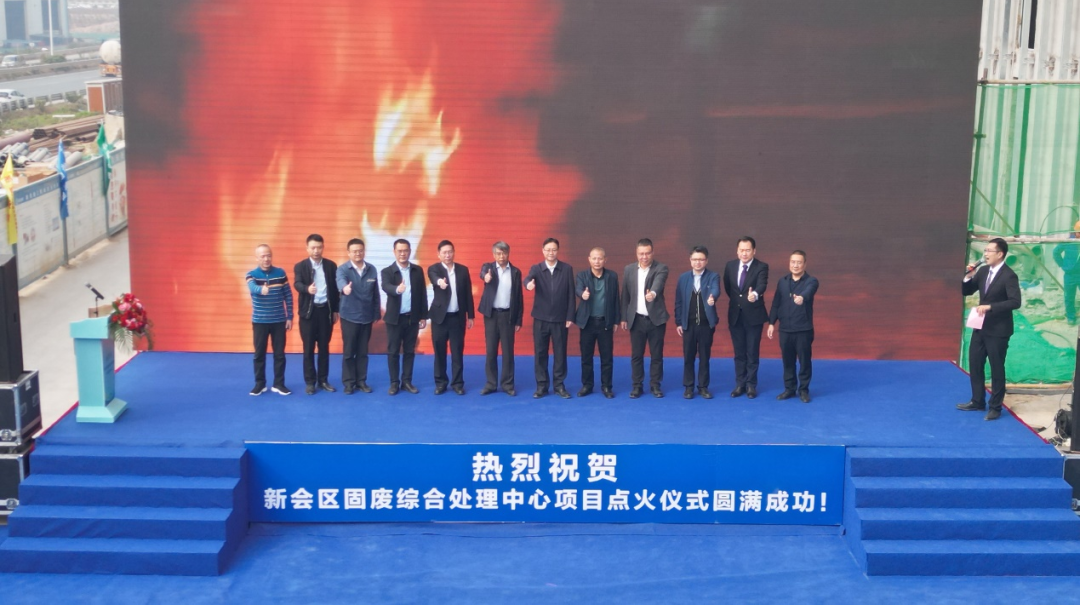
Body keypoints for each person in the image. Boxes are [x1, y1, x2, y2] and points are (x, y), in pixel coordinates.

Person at [958, 238, 1021, 421]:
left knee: (996, 367)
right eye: (985, 250)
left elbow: (1015, 302)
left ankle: (995, 407)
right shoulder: (983, 271)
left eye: (989, 251)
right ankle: (977, 401)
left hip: (999, 330)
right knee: (975, 363)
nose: (985, 254)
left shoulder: (1009, 275)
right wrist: (968, 277)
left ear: (1000, 254)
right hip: (980, 327)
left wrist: (990, 307)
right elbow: (967, 291)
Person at [525, 237, 575, 399]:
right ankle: (542, 386)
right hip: (541, 318)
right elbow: (527, 279)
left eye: (553, 249)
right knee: (540, 353)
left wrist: (570, 315)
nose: (551, 252)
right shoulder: (537, 268)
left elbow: (571, 293)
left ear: (558, 251)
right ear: (543, 251)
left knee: (560, 354)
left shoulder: (566, 269)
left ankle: (559, 385)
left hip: (560, 319)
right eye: (548, 250)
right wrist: (528, 285)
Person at [767, 250, 819, 403]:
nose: (795, 265)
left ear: (805, 264)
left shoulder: (811, 281)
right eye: (793, 262)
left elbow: (809, 292)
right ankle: (789, 389)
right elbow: (776, 303)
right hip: (785, 329)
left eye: (799, 262)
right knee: (787, 361)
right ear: (789, 263)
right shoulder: (782, 281)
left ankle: (803, 390)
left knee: (804, 361)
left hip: (803, 329)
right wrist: (771, 323)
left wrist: (802, 297)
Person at [621, 238, 670, 398]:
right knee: (636, 355)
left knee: (656, 355)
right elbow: (625, 295)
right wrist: (623, 317)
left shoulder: (661, 268)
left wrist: (653, 294)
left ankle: (655, 385)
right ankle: (637, 386)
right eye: (641, 253)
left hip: (656, 320)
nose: (644, 257)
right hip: (636, 320)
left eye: (647, 253)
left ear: (652, 253)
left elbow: (658, 283)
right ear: (636, 253)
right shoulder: (629, 269)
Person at [723, 236, 769, 399]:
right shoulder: (730, 266)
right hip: (735, 315)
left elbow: (762, 285)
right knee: (739, 352)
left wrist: (754, 295)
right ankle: (740, 384)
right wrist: (740, 301)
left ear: (754, 251)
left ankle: (751, 385)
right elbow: (728, 288)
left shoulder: (761, 266)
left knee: (752, 352)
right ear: (737, 251)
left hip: (754, 316)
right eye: (741, 250)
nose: (744, 253)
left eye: (747, 250)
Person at [293, 234, 339, 395]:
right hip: (308, 313)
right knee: (308, 349)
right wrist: (307, 289)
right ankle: (310, 382)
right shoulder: (300, 266)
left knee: (324, 347)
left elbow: (335, 290)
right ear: (307, 248)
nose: (316, 250)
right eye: (313, 247)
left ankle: (323, 380)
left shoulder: (331, 266)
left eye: (319, 247)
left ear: (323, 247)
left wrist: (335, 310)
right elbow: (297, 284)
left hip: (325, 312)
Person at [381, 238, 428, 395]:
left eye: (405, 250)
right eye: (399, 251)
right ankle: (394, 383)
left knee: (409, 351)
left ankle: (407, 381)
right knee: (393, 351)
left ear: (410, 252)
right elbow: (385, 286)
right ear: (394, 252)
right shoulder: (387, 271)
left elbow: (422, 293)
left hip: (412, 318)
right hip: (395, 319)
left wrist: (423, 316)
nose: (403, 253)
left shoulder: (417, 270)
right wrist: (397, 289)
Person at [428, 240, 475, 395]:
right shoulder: (434, 269)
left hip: (457, 318)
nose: (447, 255)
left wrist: (470, 315)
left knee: (457, 351)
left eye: (450, 252)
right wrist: (440, 282)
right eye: (444, 252)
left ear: (454, 252)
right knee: (439, 352)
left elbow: (468, 294)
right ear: (439, 254)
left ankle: (457, 383)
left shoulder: (463, 270)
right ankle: (440, 383)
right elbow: (434, 277)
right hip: (439, 319)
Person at [674, 246, 720, 399]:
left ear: (706, 261)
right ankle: (688, 387)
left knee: (705, 357)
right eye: (695, 259)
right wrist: (678, 322)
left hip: (706, 325)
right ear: (690, 260)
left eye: (701, 259)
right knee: (688, 357)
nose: (697, 262)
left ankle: (703, 387)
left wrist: (712, 297)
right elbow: (679, 301)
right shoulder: (683, 278)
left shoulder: (713, 276)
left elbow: (715, 289)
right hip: (688, 325)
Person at [246, 244, 293, 395]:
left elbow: (288, 295)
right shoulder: (251, 275)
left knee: (279, 354)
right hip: (260, 321)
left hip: (279, 321)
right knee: (259, 354)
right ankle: (260, 384)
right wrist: (261, 289)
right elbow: (252, 287)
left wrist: (290, 316)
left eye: (269, 255)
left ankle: (279, 384)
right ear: (257, 258)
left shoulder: (280, 273)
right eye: (263, 256)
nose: (266, 259)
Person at [478, 241, 523, 396]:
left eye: (504, 253)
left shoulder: (515, 272)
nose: (501, 256)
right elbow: (482, 273)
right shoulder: (488, 268)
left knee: (508, 352)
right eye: (498, 253)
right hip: (491, 315)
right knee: (491, 351)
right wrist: (486, 277)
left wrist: (518, 320)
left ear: (508, 254)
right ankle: (491, 384)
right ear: (493, 254)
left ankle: (507, 384)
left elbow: (519, 297)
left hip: (508, 316)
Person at [336, 238, 381, 395]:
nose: (358, 253)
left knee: (363, 352)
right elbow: (340, 281)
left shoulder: (371, 269)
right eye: (354, 251)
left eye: (360, 251)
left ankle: (361, 381)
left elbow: (375, 293)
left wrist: (376, 312)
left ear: (364, 252)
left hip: (366, 317)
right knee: (349, 352)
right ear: (348, 253)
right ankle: (349, 383)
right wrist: (344, 288)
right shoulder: (343, 269)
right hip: (349, 317)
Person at [575, 247, 620, 398]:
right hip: (587, 323)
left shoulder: (612, 276)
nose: (597, 261)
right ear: (589, 259)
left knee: (606, 357)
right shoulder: (582, 275)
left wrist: (616, 320)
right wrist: (582, 294)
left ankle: (606, 386)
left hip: (605, 322)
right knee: (586, 357)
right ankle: (587, 385)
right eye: (594, 258)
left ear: (605, 260)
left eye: (600, 258)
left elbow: (616, 299)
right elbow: (578, 289)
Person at [1053, 221, 1080, 326]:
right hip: (1070, 274)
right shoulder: (1068, 241)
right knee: (1069, 297)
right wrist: (1062, 265)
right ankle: (1071, 317)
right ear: (1075, 231)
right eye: (1078, 232)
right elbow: (1056, 252)